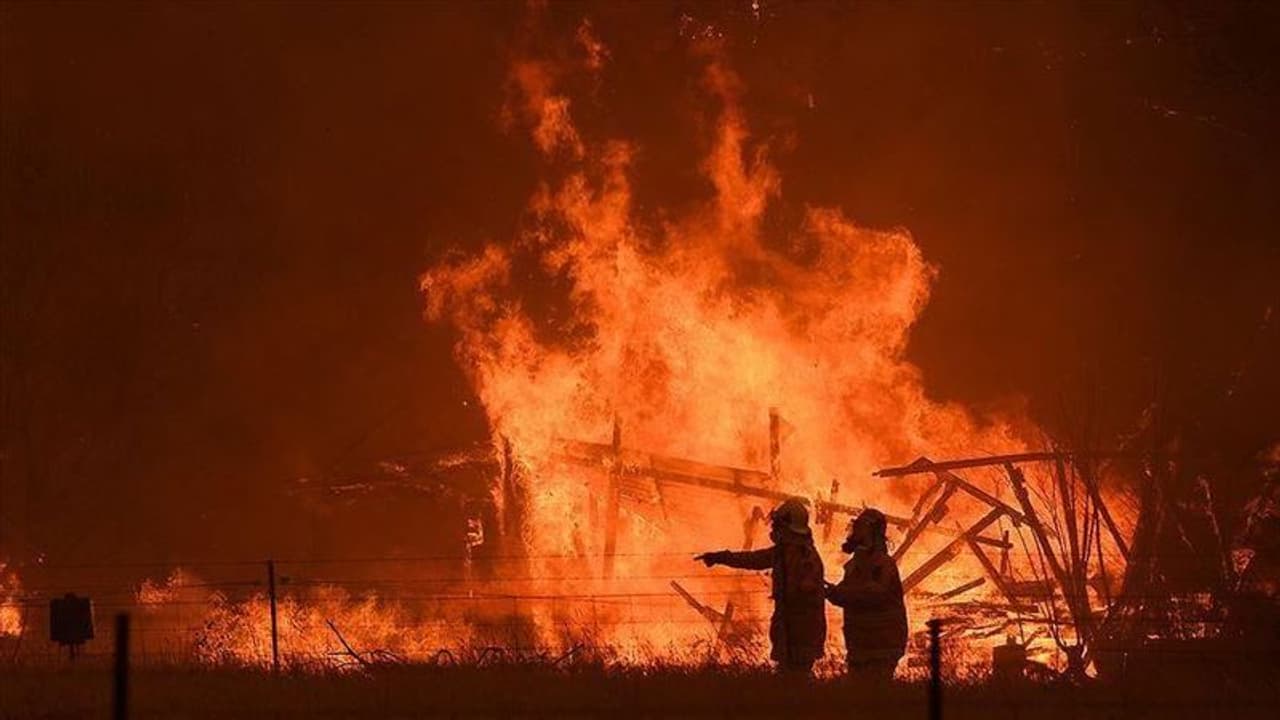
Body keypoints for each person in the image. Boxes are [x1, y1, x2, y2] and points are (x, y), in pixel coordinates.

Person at [695, 497, 827, 674]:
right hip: (789, 629)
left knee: (796, 678)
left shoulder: (805, 558)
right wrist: (720, 557)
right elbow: (752, 559)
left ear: (787, 528)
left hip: (801, 631)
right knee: (789, 679)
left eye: (777, 525)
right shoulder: (785, 552)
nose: (773, 529)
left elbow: (804, 598)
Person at [826, 508, 908, 681]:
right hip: (860, 643)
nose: (855, 531)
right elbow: (846, 593)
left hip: (883, 643)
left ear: (873, 531)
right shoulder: (853, 565)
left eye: (861, 527)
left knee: (877, 696)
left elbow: (875, 593)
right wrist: (829, 591)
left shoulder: (883, 564)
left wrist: (840, 593)